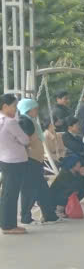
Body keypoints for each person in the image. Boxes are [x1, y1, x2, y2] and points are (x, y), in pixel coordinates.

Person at [16, 99, 58, 225]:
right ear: (28, 109)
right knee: (29, 190)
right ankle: (26, 218)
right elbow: (23, 141)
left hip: (36, 160)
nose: (37, 111)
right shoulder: (25, 122)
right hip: (30, 161)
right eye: (35, 109)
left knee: (42, 190)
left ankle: (50, 216)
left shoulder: (31, 121)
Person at [0, 94, 29, 234]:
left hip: (4, 159)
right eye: (14, 106)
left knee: (6, 193)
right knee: (11, 195)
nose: (16, 109)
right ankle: (9, 226)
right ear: (5, 106)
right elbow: (25, 140)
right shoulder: (10, 122)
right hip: (16, 161)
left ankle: (6, 223)